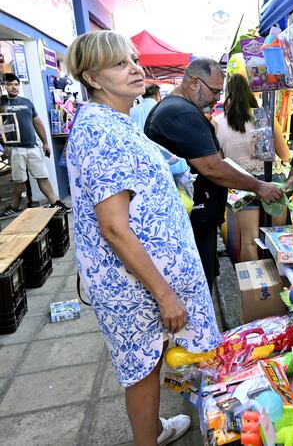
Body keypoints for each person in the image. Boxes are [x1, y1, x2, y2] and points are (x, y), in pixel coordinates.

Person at [63, 31, 221, 446]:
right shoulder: (101, 130)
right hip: (136, 284)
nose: (134, 68)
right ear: (93, 78)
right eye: (119, 63)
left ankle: (152, 431)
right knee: (143, 368)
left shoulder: (114, 121)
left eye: (133, 59)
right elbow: (113, 226)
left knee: (147, 366)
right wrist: (165, 293)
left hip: (142, 280)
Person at [145, 59, 282, 290]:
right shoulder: (181, 113)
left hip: (194, 217)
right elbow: (211, 166)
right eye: (215, 92)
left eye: (220, 92)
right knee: (198, 284)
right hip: (193, 221)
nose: (217, 98)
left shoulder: (177, 109)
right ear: (194, 83)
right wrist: (258, 186)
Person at [0, 73, 69, 217]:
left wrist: (45, 143)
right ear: (4, 86)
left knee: (42, 176)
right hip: (15, 148)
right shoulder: (2, 102)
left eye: (16, 84)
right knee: (19, 181)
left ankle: (55, 202)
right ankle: (15, 206)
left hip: (32, 146)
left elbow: (37, 123)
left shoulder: (27, 102)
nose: (13, 87)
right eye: (10, 84)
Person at [213, 73, 290, 177]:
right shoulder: (265, 116)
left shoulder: (216, 123)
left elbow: (220, 164)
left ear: (227, 94)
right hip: (271, 178)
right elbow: (285, 155)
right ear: (250, 93)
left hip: (238, 183)